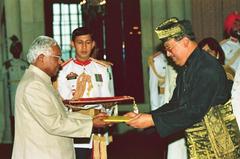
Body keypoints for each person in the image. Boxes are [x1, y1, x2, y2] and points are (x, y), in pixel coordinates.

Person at [125, 17, 239, 158]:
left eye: (170, 48)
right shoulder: (189, 67)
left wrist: (151, 120)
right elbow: (176, 104)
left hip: (219, 148)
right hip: (201, 147)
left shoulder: (207, 67)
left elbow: (193, 110)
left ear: (185, 42)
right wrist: (146, 117)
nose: (168, 54)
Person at [11, 35, 110, 159]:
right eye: (57, 58)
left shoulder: (41, 81)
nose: (61, 62)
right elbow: (55, 123)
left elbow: (62, 114)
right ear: (41, 58)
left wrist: (92, 118)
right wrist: (91, 124)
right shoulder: (34, 85)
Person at [56, 27, 115, 159]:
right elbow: (64, 102)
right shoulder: (63, 70)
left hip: (98, 127)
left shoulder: (102, 68)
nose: (84, 47)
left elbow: (107, 98)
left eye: (88, 42)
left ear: (93, 44)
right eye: (79, 42)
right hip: (76, 126)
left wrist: (109, 116)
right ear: (72, 44)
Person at [148, 49, 187, 159]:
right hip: (166, 105)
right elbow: (153, 89)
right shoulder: (157, 60)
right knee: (171, 146)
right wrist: (155, 115)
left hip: (182, 107)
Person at [1, 35, 29, 143]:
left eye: (18, 48)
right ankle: (14, 140)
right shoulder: (8, 64)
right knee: (13, 116)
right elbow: (1, 76)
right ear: (11, 50)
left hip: (23, 92)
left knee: (24, 115)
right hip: (12, 93)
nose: (17, 50)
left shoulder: (25, 64)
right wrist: (5, 69)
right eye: (14, 48)